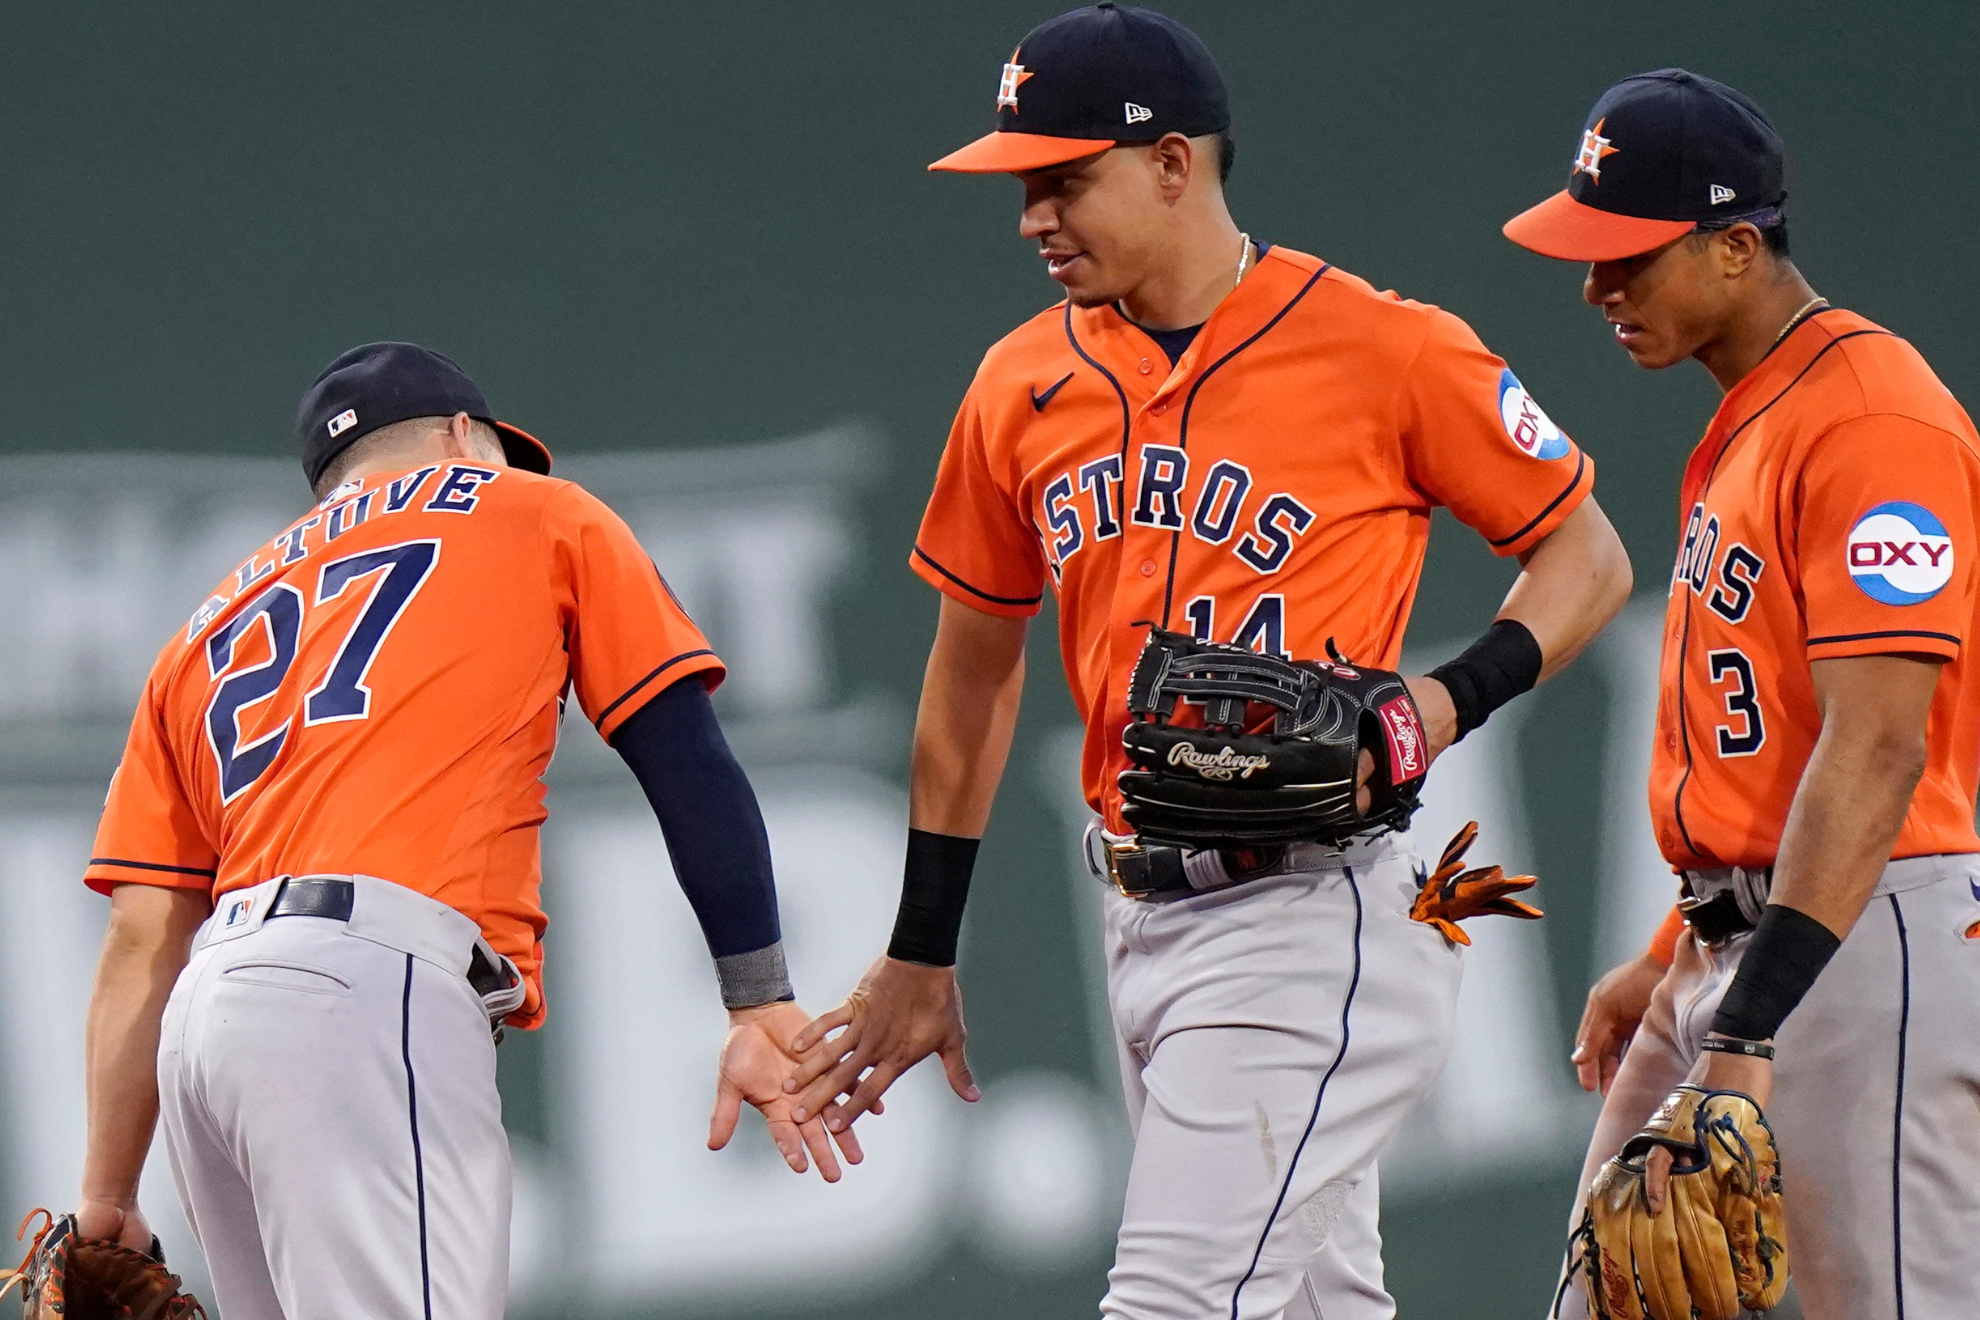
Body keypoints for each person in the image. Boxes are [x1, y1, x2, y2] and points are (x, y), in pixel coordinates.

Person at [785, 6, 1632, 1316]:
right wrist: (921, 945)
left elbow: (1588, 556)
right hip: (1141, 917)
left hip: (1315, 908)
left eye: (1064, 179)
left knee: (1171, 1303)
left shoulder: (1385, 348)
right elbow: (972, 681)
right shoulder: (1017, 387)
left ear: (1173, 165)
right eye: (1023, 186)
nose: (1033, 218)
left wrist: (1444, 703)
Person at [73, 342, 856, 1319]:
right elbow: (686, 757)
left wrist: (106, 1196)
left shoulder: (198, 633)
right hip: (359, 993)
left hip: (204, 1030)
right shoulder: (536, 508)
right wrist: (757, 996)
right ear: (460, 437)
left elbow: (143, 937)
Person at [1505, 70, 1980, 1320]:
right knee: (1608, 1293)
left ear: (1735, 247)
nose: (1597, 285)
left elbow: (1878, 753)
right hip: (1747, 943)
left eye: (1629, 256)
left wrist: (1749, 1028)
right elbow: (1771, 751)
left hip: (1864, 948)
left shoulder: (1876, 422)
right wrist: (1678, 947)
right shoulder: (1755, 419)